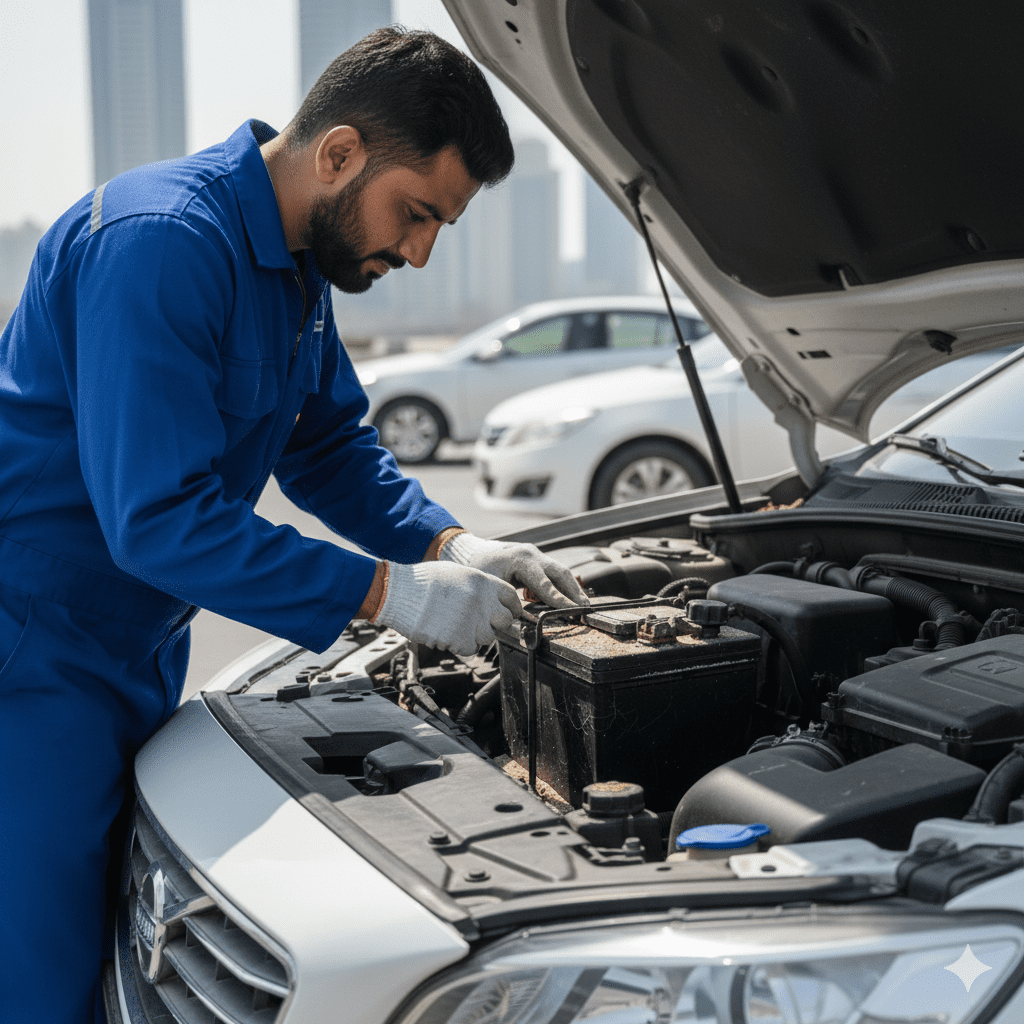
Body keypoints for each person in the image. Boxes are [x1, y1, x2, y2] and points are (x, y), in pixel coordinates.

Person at [0, 26, 586, 1024]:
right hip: (31, 657)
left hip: (135, 646)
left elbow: (328, 449)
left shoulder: (297, 269)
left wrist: (449, 544)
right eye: (417, 213)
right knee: (41, 976)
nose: (419, 250)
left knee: (122, 949)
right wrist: (389, 595)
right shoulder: (159, 244)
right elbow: (160, 521)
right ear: (340, 153)